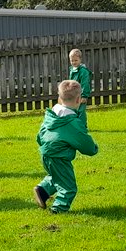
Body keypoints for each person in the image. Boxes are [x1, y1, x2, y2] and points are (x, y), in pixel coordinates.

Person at [34, 80, 99, 213]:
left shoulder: (51, 115)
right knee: (68, 187)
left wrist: (43, 145)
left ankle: (42, 190)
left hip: (45, 153)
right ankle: (58, 209)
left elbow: (40, 134)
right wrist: (93, 149)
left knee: (57, 176)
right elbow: (83, 141)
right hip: (59, 156)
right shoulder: (72, 122)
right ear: (78, 100)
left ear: (59, 98)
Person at [68, 49, 92, 123]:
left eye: (76, 60)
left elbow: (85, 83)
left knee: (81, 111)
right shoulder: (72, 70)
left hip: (81, 95)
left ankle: (82, 126)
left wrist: (84, 96)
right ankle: (75, 125)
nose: (74, 62)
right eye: (72, 61)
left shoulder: (83, 71)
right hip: (74, 95)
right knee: (73, 110)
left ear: (80, 59)